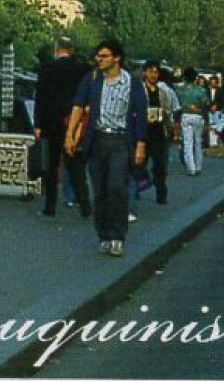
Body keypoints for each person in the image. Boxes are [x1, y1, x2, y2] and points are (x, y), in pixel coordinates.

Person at [66, 40, 147, 258]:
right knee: (99, 190)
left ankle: (117, 236)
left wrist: (141, 144)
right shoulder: (92, 80)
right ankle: (103, 235)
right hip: (98, 140)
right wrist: (70, 134)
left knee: (116, 187)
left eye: (104, 56)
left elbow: (141, 114)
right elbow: (78, 106)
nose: (99, 60)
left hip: (120, 140)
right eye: (98, 56)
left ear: (116, 58)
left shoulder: (133, 83)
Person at [34, 37, 91, 218]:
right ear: (71, 50)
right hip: (72, 121)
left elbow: (41, 96)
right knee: (75, 164)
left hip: (51, 122)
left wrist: (38, 124)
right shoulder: (81, 69)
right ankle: (84, 204)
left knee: (52, 164)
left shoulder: (47, 68)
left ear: (57, 50)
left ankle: (50, 206)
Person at [141, 61, 179, 205]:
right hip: (143, 133)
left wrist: (165, 117)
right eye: (150, 72)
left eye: (156, 72)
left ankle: (161, 193)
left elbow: (170, 111)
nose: (153, 75)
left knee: (160, 165)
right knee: (139, 164)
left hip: (159, 132)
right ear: (144, 73)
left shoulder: (163, 92)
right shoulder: (139, 90)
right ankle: (136, 189)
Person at [176, 68, 210, 176]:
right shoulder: (201, 90)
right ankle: (198, 166)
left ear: (185, 77)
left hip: (185, 115)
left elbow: (177, 106)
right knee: (198, 142)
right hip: (198, 116)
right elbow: (205, 105)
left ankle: (191, 168)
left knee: (188, 143)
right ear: (195, 77)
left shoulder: (180, 90)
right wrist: (206, 120)